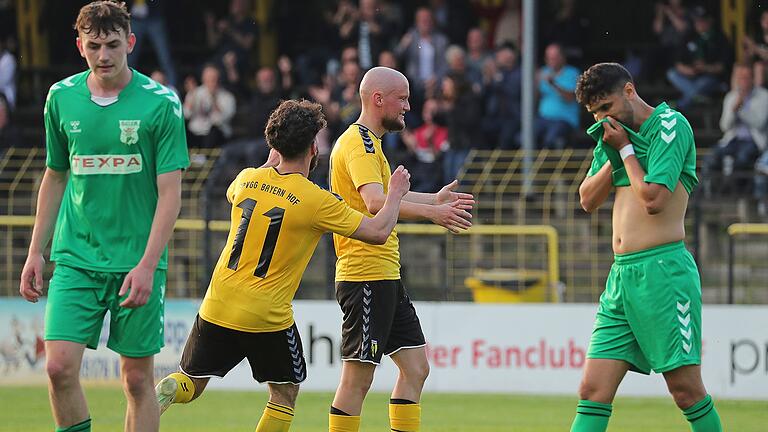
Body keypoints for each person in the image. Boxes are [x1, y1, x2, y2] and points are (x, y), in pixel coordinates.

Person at [154, 99, 412, 432]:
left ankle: (174, 387)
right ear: (312, 148)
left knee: (193, 380)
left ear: (273, 145)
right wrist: (394, 194)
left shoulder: (246, 179)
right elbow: (377, 232)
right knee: (284, 394)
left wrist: (270, 161)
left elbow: (242, 189)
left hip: (216, 306)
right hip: (266, 314)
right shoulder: (316, 200)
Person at [18, 2, 189, 432]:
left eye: (113, 44)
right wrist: (35, 252)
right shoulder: (60, 98)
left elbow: (171, 194)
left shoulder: (161, 104)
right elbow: (55, 176)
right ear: (80, 46)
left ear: (130, 42)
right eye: (94, 45)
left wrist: (148, 264)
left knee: (135, 380)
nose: (104, 54)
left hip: (138, 260)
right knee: (57, 368)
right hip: (77, 257)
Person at [572, 62, 722, 432]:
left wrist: (624, 150)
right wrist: (612, 154)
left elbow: (653, 199)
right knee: (592, 390)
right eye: (595, 114)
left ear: (628, 90)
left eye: (606, 108)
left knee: (686, 390)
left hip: (663, 274)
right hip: (621, 278)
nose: (603, 119)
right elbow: (587, 199)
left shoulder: (671, 126)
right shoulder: (612, 137)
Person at [328, 66, 474, 432]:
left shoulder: (370, 143)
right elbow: (377, 202)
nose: (409, 106)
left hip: (384, 276)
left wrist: (432, 197)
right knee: (357, 380)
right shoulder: (359, 143)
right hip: (365, 275)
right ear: (378, 99)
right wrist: (432, 213)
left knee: (416, 369)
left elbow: (388, 198)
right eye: (403, 98)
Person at [704, 63, 768, 193]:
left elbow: (759, 123)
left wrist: (742, 109)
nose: (743, 81)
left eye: (746, 77)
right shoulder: (731, 97)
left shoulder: (763, 96)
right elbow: (724, 126)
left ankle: (737, 194)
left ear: (752, 78)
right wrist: (733, 110)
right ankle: (710, 194)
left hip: (753, 141)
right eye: (740, 78)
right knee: (712, 157)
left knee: (742, 158)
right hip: (733, 139)